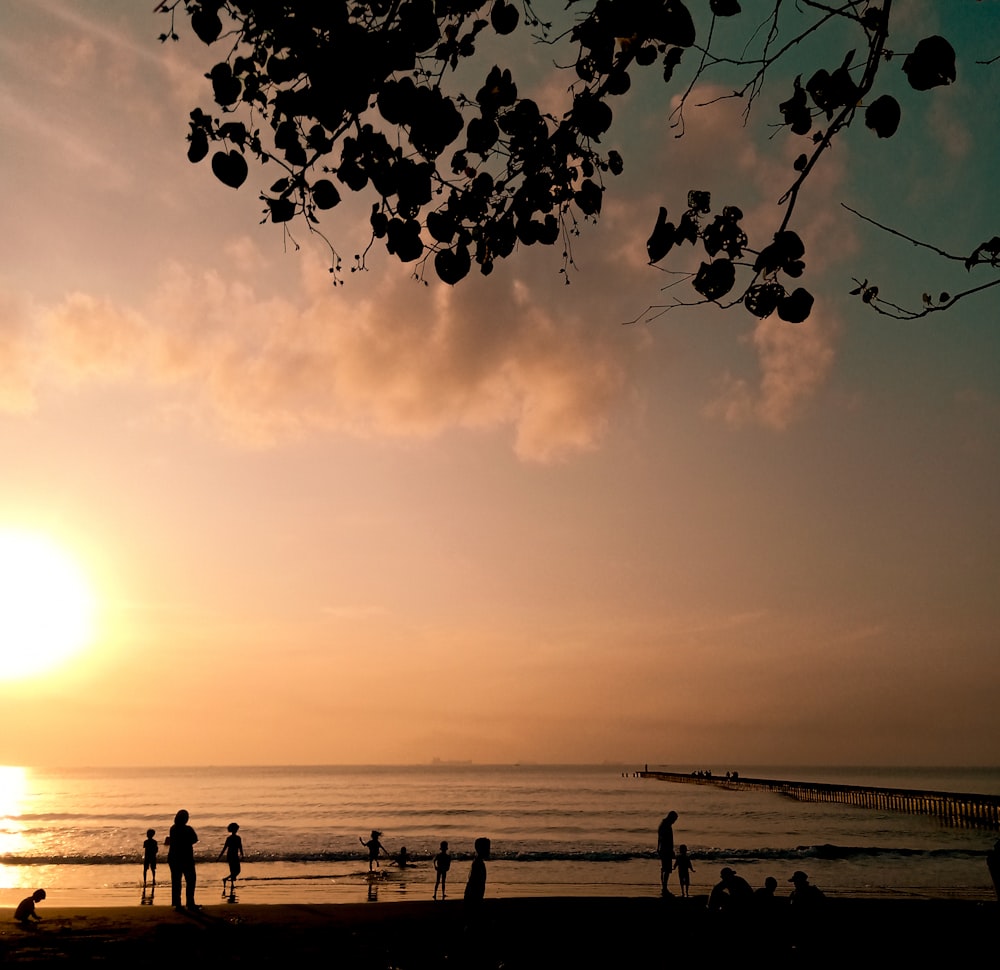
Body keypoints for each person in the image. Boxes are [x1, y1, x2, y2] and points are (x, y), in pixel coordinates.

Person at [166, 809, 199, 911]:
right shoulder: (188, 829)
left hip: (173, 857)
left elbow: (171, 841)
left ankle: (177, 903)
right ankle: (190, 902)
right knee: (190, 880)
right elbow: (195, 839)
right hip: (186, 857)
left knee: (176, 881)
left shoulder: (173, 829)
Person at [464, 837, 490, 906]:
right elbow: (475, 882)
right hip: (473, 896)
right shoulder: (478, 863)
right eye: (487, 848)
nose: (489, 851)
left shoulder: (477, 862)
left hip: (473, 895)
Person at [219, 821, 244, 896]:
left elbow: (224, 848)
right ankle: (227, 880)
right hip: (233, 856)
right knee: (236, 871)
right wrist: (242, 855)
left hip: (230, 855)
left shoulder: (230, 838)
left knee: (234, 871)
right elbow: (240, 847)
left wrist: (219, 857)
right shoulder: (237, 838)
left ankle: (230, 882)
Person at [656, 811, 678, 895]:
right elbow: (667, 840)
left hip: (663, 849)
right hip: (666, 850)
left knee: (664, 869)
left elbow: (659, 839)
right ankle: (664, 888)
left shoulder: (663, 824)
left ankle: (664, 887)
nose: (674, 821)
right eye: (674, 819)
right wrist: (671, 850)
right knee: (667, 869)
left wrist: (658, 847)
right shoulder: (666, 826)